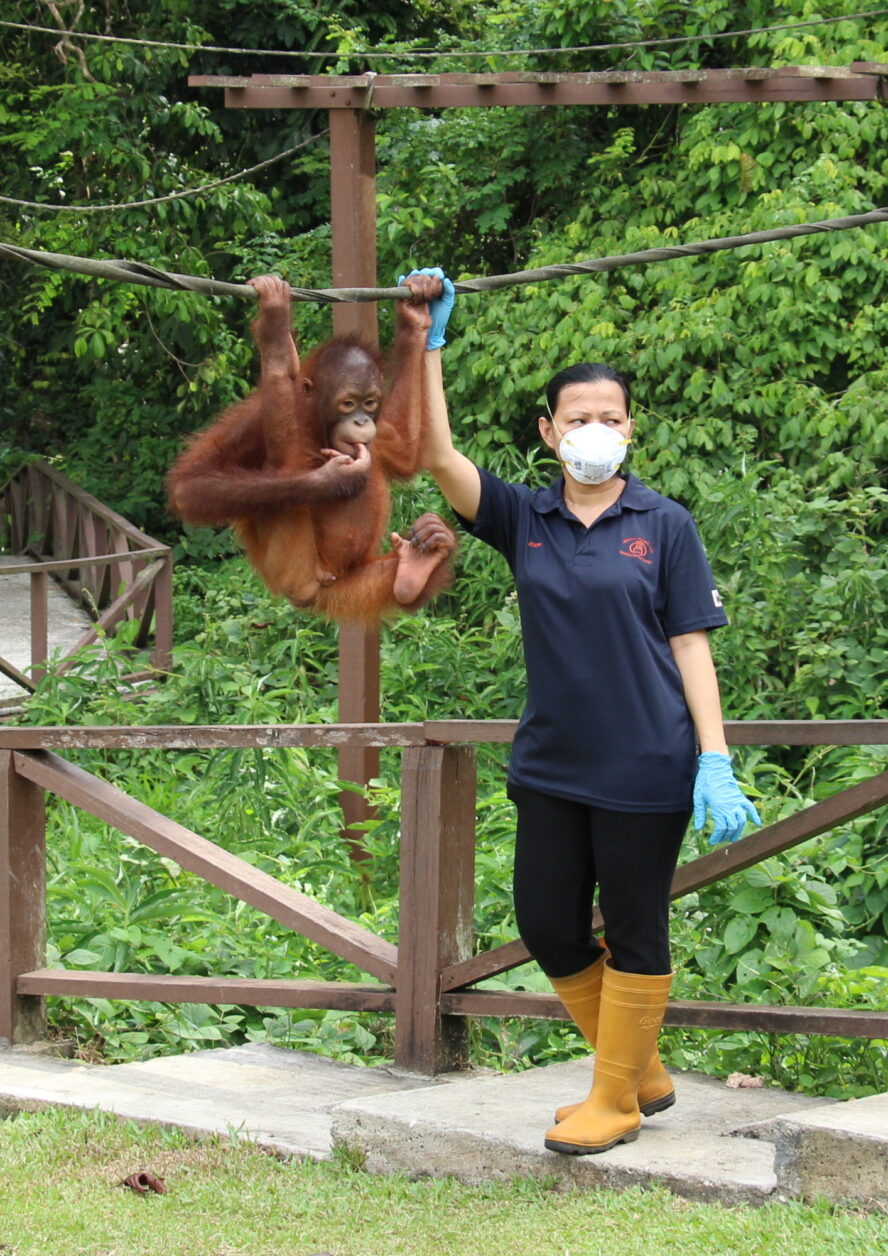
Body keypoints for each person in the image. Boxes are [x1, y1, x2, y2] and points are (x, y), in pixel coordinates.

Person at [401, 266, 761, 1157]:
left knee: (636, 926)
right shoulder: (524, 517)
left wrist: (713, 758)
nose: (594, 430)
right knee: (547, 923)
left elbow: (691, 646)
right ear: (548, 431)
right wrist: (429, 343)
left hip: (648, 762)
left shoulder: (664, 524)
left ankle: (617, 1098)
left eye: (609, 417)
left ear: (629, 428)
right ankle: (634, 1067)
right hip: (552, 763)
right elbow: (439, 457)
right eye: (577, 418)